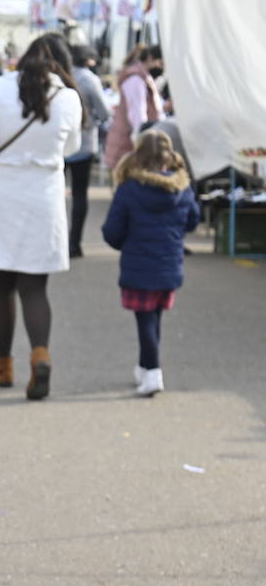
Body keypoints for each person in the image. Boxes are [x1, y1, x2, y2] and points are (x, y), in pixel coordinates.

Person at [0, 33, 82, 400]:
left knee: (2, 284)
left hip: (2, 191)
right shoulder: (68, 97)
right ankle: (40, 356)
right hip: (43, 194)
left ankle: (3, 367)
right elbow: (73, 147)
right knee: (35, 287)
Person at [101, 130, 198, 397]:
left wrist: (127, 244)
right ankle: (144, 366)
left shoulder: (129, 189)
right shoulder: (182, 187)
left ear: (138, 156)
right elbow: (192, 221)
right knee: (154, 318)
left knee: (145, 320)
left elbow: (112, 231)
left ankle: (153, 371)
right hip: (169, 265)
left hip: (138, 265)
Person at [67, 44, 112, 258]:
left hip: (59, 143)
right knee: (79, 194)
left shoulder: (61, 75)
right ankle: (74, 242)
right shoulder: (89, 79)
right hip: (84, 143)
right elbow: (104, 112)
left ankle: (54, 239)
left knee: (54, 192)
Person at [105, 45, 164, 172]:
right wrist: (144, 144)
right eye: (160, 63)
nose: (161, 68)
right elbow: (137, 115)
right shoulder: (136, 80)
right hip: (128, 145)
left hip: (129, 143)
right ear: (150, 58)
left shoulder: (141, 77)